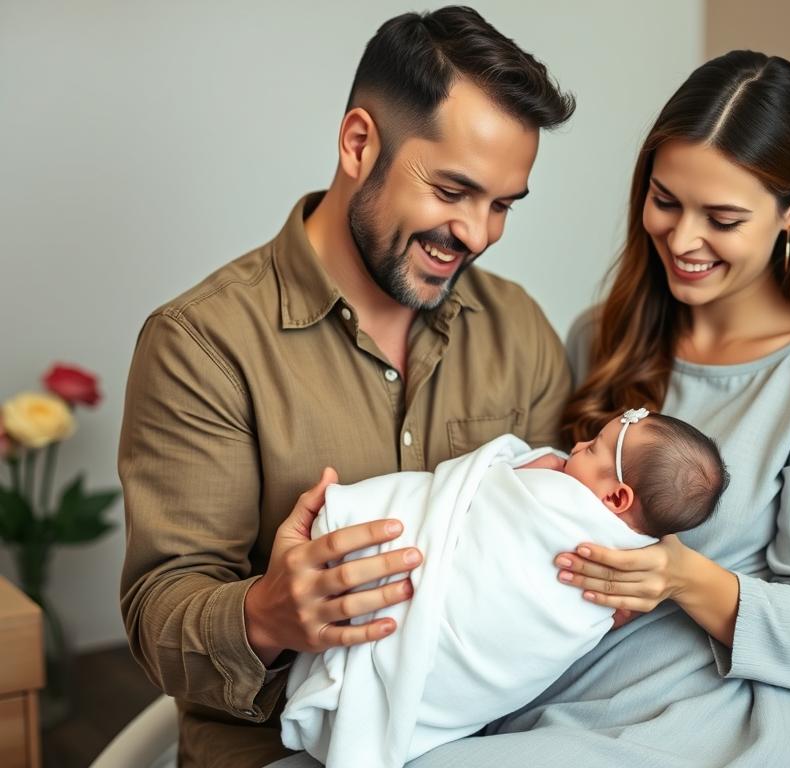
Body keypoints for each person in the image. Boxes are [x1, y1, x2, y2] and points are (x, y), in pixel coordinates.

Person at [401, 51, 790, 768]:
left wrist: (679, 575)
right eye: (666, 200)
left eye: (724, 218)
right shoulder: (600, 338)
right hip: (532, 692)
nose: (682, 239)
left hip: (705, 721)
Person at [117, 7, 576, 767]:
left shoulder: (517, 329)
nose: (477, 234)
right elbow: (159, 618)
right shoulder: (203, 344)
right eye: (453, 190)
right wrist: (265, 616)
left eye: (501, 205)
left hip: (494, 742)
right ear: (359, 143)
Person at [280, 409, 727, 768]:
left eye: (592, 449)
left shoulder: (556, 493)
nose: (575, 447)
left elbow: (487, 494)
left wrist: (512, 469)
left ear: (616, 498)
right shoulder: (634, 552)